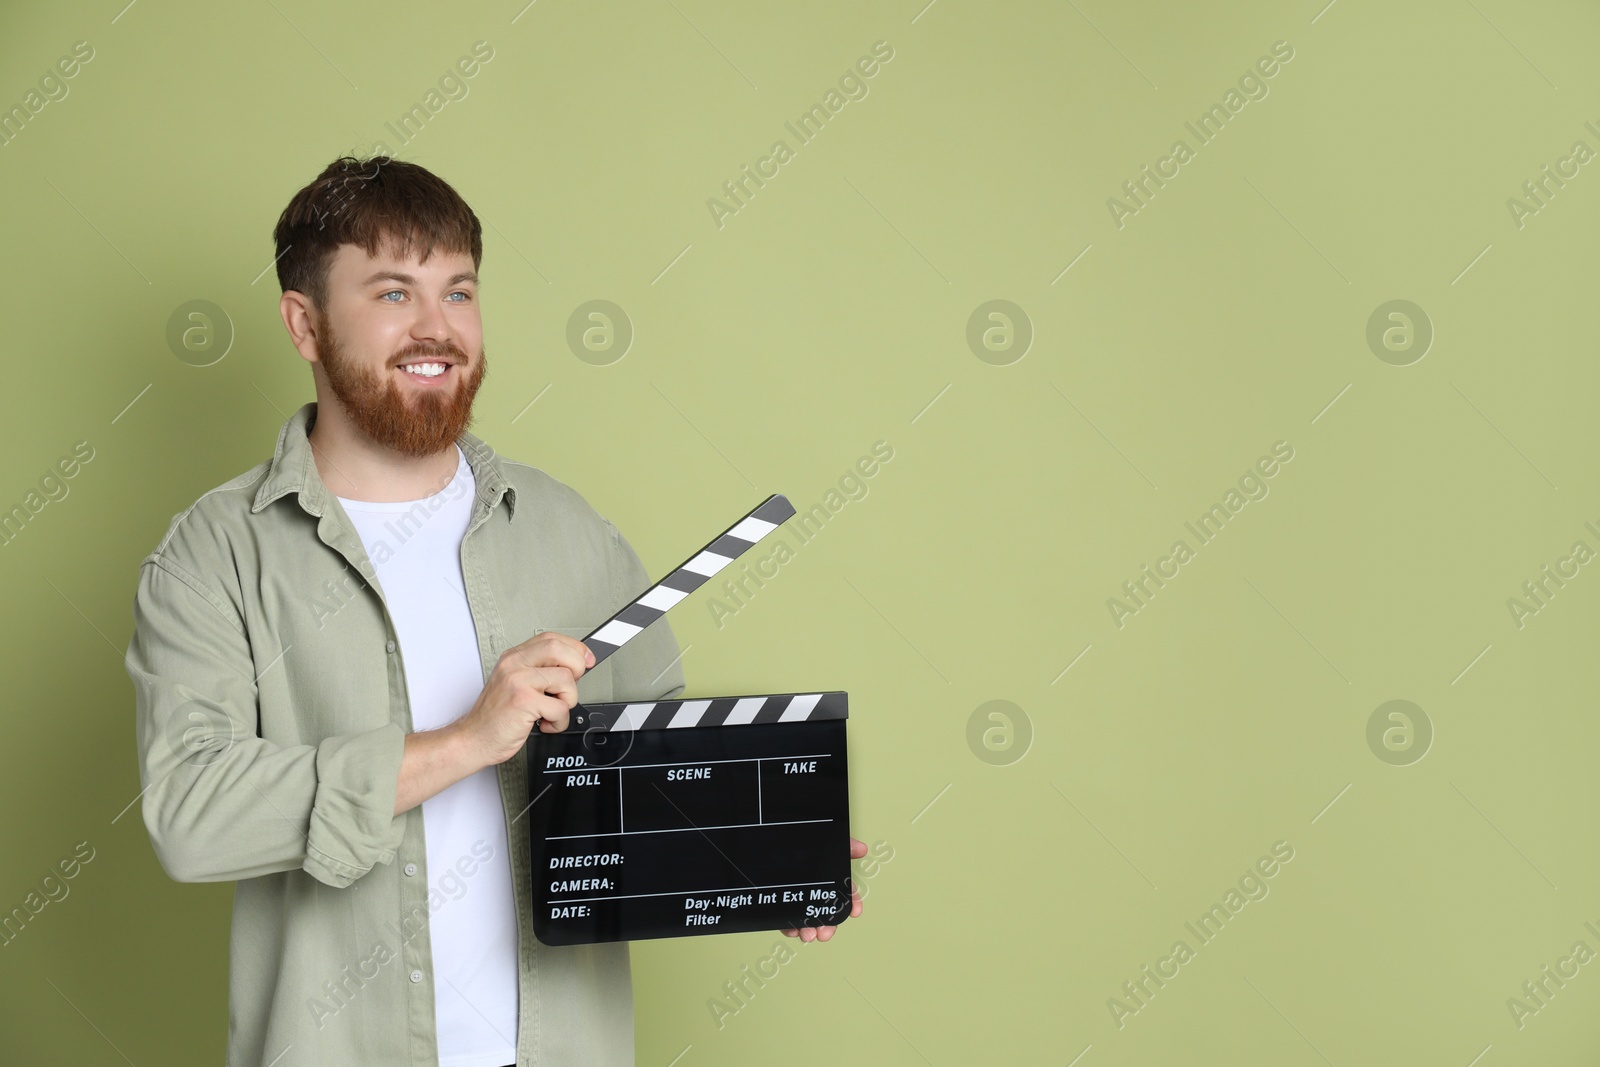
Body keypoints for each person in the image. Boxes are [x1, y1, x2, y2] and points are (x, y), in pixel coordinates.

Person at [124, 155, 864, 1067]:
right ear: (304, 323)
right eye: (393, 294)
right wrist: (465, 742)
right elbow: (193, 817)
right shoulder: (215, 554)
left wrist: (761, 858)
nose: (437, 328)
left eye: (459, 292)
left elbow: (643, 785)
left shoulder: (570, 533)